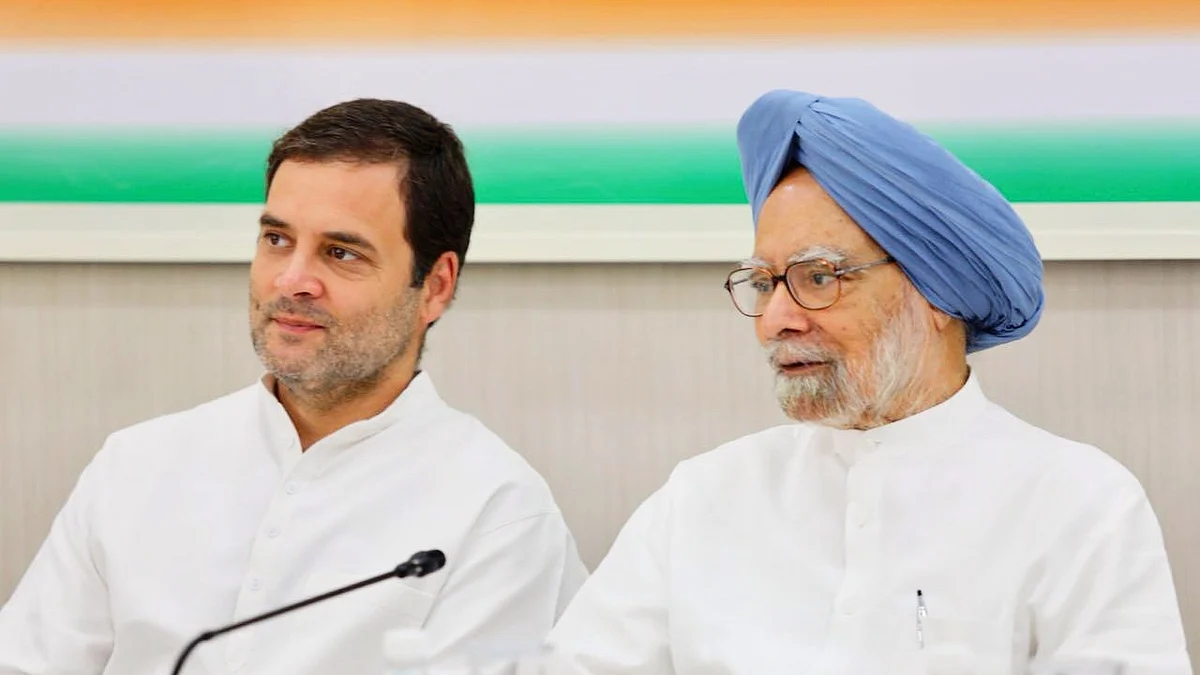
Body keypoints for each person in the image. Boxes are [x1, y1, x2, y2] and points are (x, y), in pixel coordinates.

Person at [546, 90, 1191, 675]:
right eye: (766, 283)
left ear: (939, 294)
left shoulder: (1078, 504)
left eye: (818, 277)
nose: (773, 322)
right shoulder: (703, 496)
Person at [0, 98, 588, 675]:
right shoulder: (136, 464)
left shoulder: (499, 512)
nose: (292, 280)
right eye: (277, 239)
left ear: (434, 286)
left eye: (340, 252)